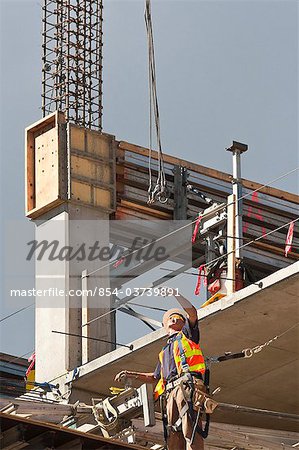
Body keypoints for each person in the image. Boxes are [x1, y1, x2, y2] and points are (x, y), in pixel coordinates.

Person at [115, 292, 206, 450]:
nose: (173, 318)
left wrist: (176, 294)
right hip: (171, 392)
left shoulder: (187, 336)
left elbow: (192, 313)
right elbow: (155, 377)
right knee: (173, 434)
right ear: (166, 327)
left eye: (178, 316)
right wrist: (132, 374)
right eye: (170, 317)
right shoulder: (165, 352)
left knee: (189, 426)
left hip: (186, 386)